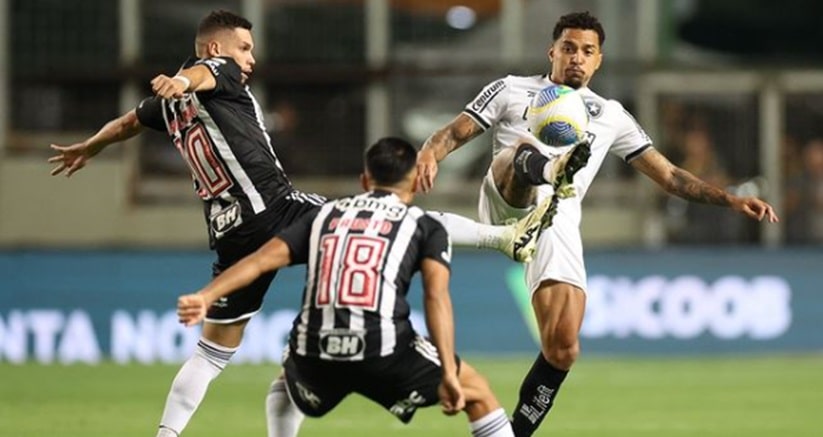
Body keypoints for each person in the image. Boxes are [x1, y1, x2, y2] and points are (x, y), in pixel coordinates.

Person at [46, 10, 553, 437]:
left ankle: (166, 434)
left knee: (212, 353)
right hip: (276, 207)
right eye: (244, 48)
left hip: (230, 233)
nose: (250, 59)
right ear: (218, 48)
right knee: (387, 214)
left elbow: (129, 122)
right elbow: (203, 74)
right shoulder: (215, 73)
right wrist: (184, 77)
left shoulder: (167, 108)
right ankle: (505, 237)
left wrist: (88, 147)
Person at [416, 11, 780, 437]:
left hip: (557, 221)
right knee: (520, 151)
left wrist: (730, 200)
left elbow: (669, 175)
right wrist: (429, 152)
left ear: (598, 60)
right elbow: (454, 133)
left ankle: (511, 435)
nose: (576, 57)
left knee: (564, 348)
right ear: (552, 51)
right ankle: (552, 169)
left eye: (587, 51)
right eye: (568, 48)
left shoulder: (610, 115)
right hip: (508, 198)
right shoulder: (512, 90)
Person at [176, 137, 516, 437]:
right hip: (383, 352)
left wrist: (206, 296)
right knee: (479, 393)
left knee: (285, 381)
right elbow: (435, 297)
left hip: (315, 354)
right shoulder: (424, 225)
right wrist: (449, 374)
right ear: (414, 182)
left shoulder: (324, 215)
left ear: (365, 180)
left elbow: (261, 260)